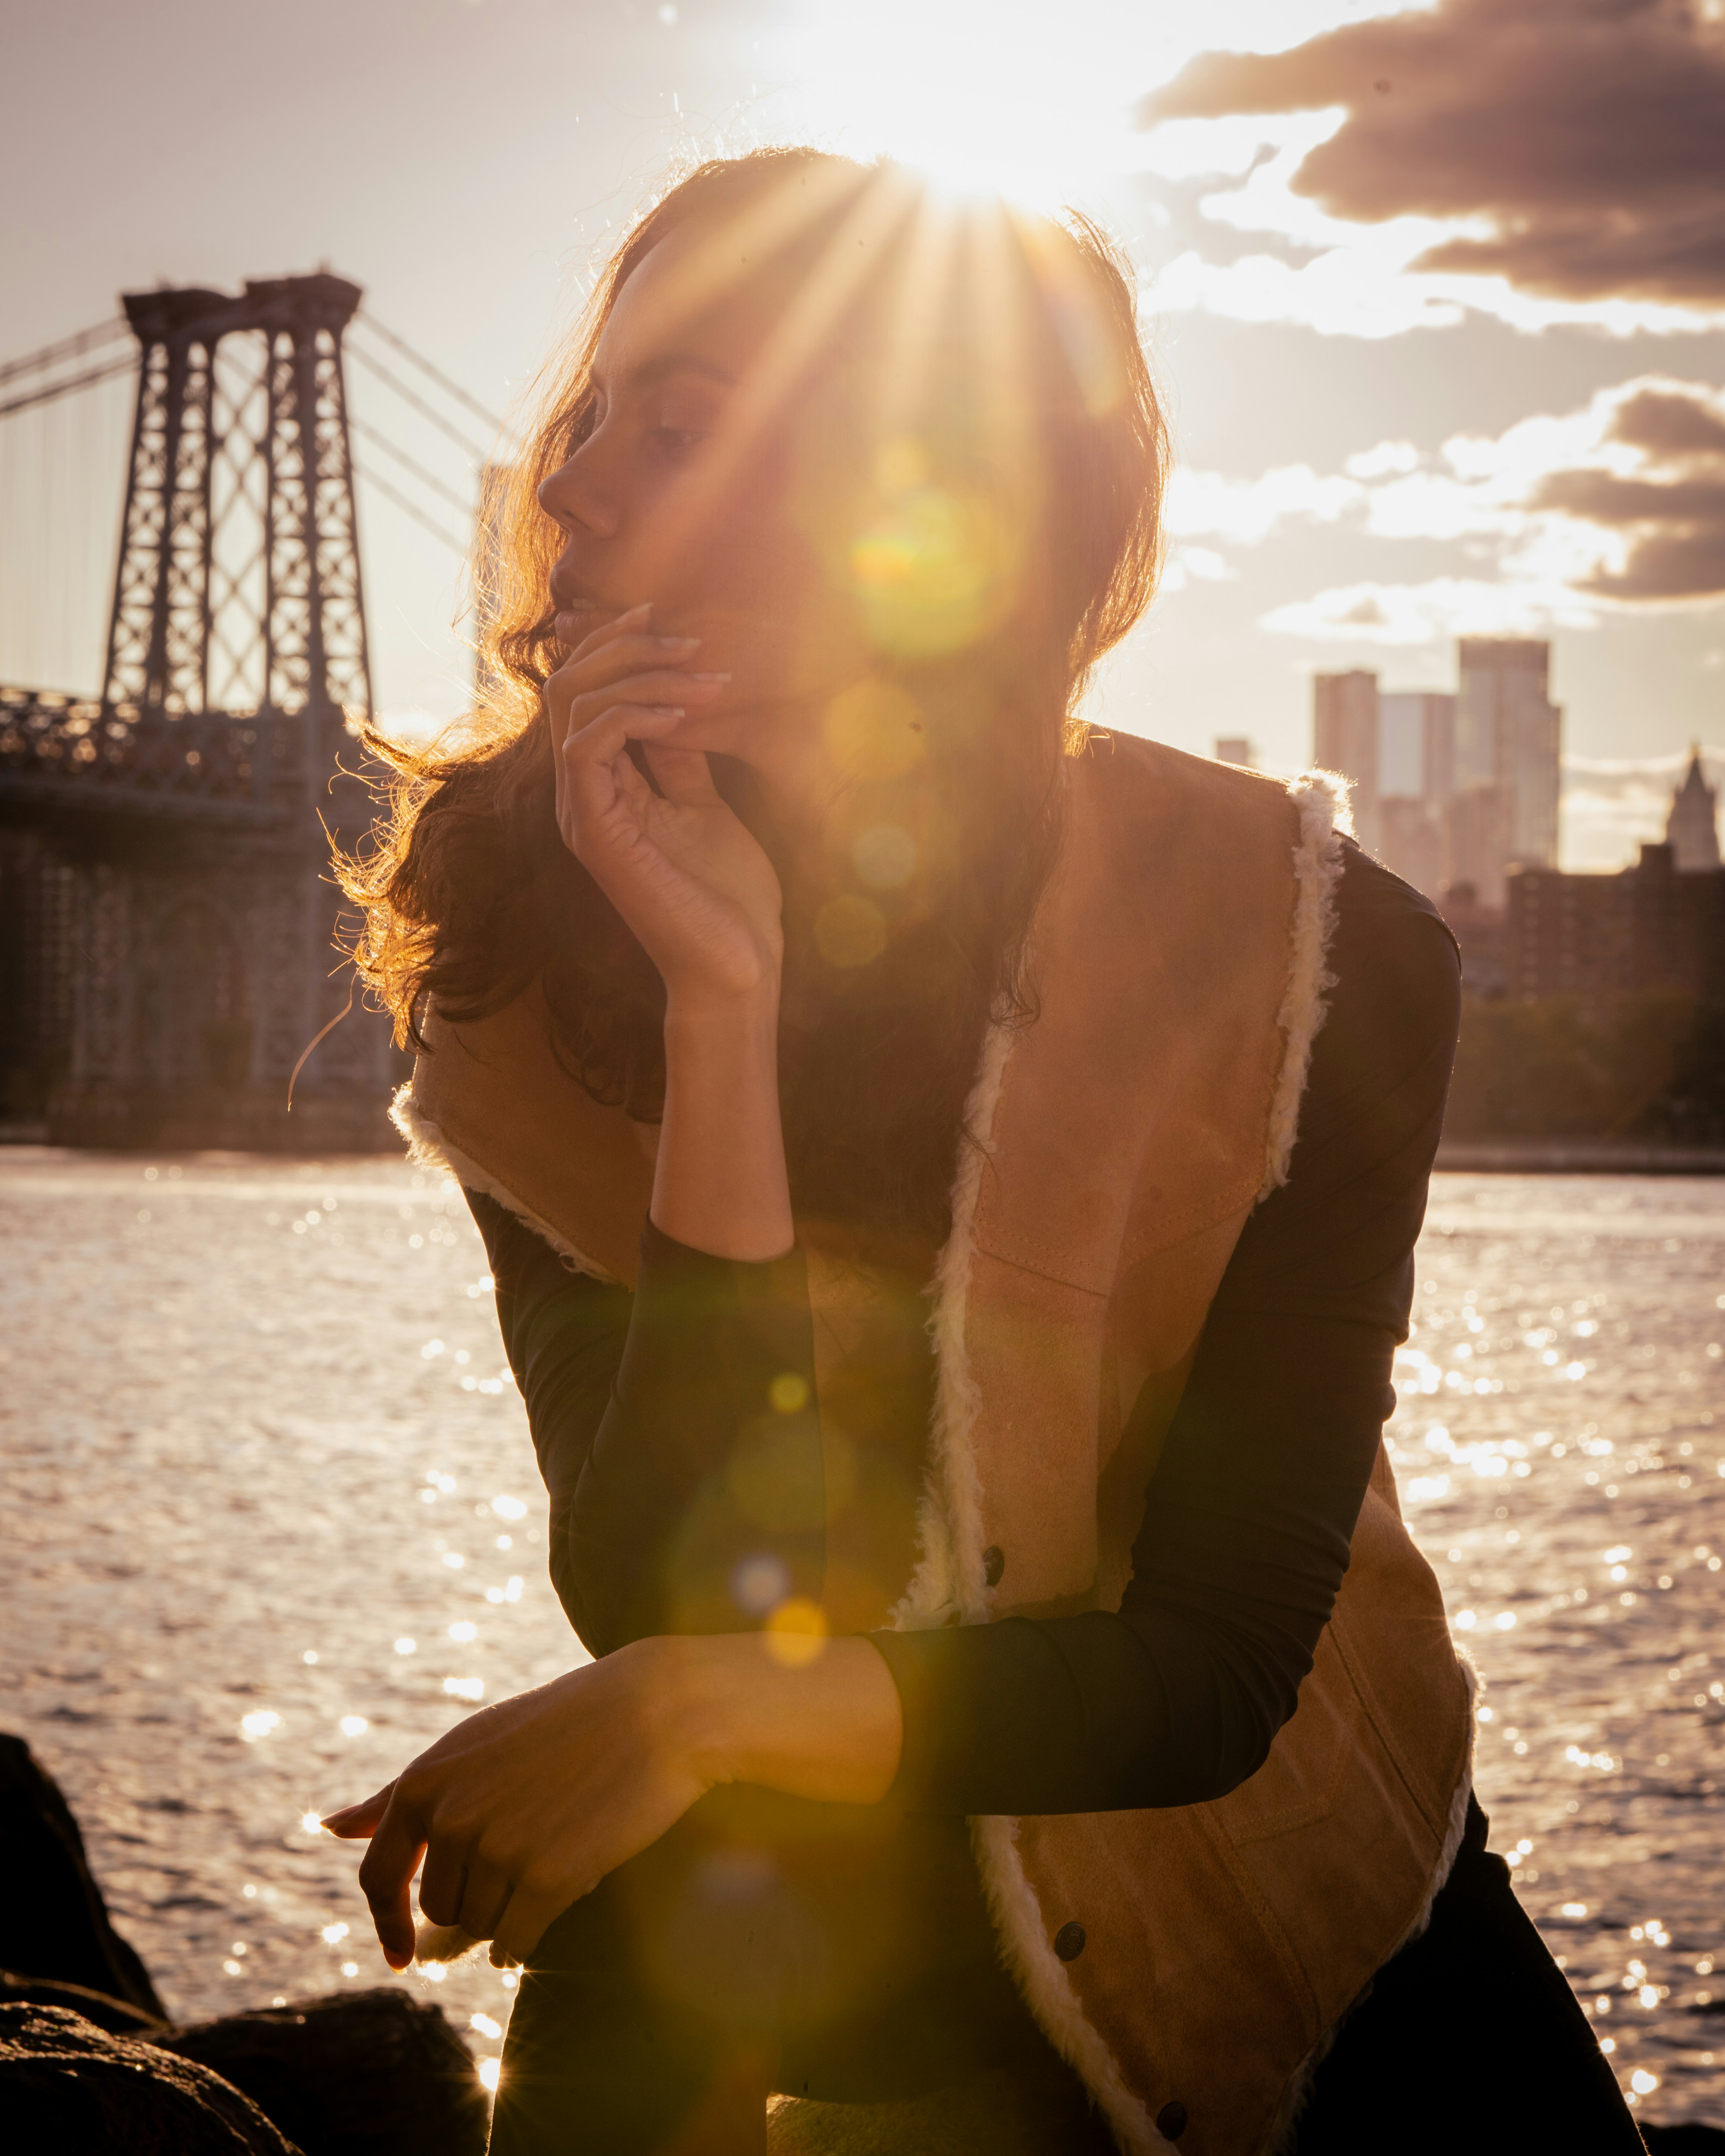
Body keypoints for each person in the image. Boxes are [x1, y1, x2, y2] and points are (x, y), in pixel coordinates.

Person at [324, 150, 1643, 2156]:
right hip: (863, 1844)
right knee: (636, 1938)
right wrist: (722, 1003)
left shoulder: (1314, 948)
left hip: (1281, 1867)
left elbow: (1212, 1676)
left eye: (668, 425)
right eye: (584, 419)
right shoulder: (526, 945)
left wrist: (697, 1706)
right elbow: (671, 1582)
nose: (566, 486)